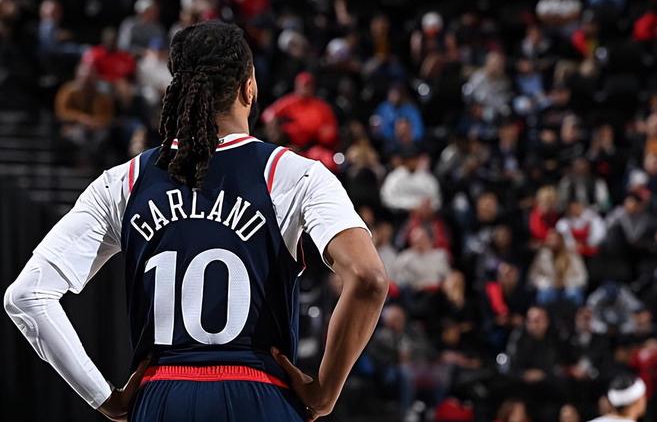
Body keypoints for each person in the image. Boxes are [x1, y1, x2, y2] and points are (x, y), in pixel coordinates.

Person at [4, 22, 388, 422]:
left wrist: (104, 398)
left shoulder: (124, 181)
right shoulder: (291, 173)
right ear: (249, 88)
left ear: (177, 88)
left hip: (161, 396)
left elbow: (26, 296)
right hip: (258, 393)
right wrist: (324, 393)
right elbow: (369, 278)